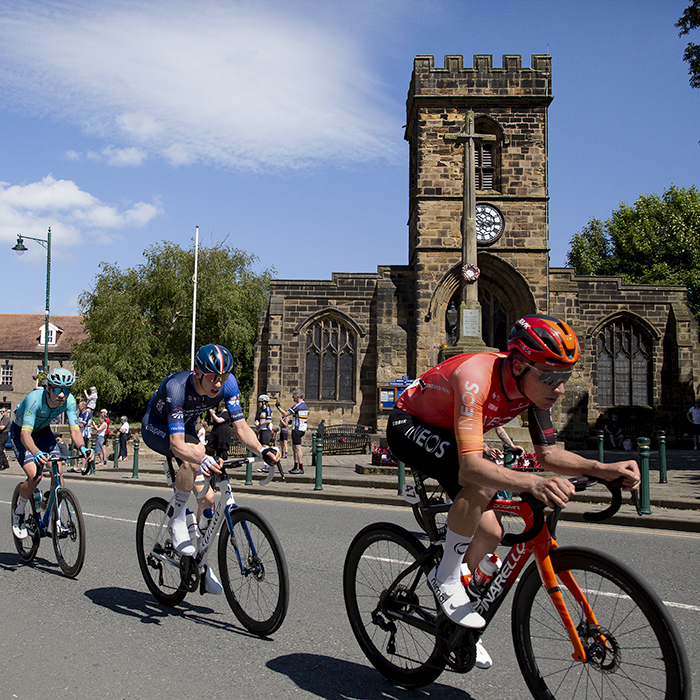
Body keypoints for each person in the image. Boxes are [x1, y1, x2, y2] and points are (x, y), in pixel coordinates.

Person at [386, 314, 640, 670]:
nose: (560, 388)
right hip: (410, 424)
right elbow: (471, 467)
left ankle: (454, 621)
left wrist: (601, 469)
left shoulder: (533, 389)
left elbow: (548, 455)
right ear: (519, 365)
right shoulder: (476, 378)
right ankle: (445, 575)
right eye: (552, 377)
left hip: (449, 433)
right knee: (483, 479)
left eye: (565, 377)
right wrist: (535, 482)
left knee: (491, 531)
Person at [141, 343, 280, 595]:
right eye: (212, 376)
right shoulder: (177, 387)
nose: (218, 383)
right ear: (197, 373)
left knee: (208, 499)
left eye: (223, 376)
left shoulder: (228, 384)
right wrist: (201, 458)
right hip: (157, 427)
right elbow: (177, 443)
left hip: (187, 426)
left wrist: (262, 450)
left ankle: (199, 564)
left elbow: (241, 428)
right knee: (194, 458)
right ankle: (177, 518)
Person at [10, 368, 94, 538]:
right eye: (57, 389)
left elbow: (75, 430)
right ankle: (18, 512)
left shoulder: (69, 401)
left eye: (66, 390)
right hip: (22, 433)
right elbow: (25, 435)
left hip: (42, 432)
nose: (61, 395)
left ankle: (56, 518)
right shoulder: (34, 400)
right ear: (48, 388)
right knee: (35, 476)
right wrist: (36, 453)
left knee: (58, 469)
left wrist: (83, 447)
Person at [277, 389, 308, 474]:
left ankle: (300, 467)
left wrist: (278, 407)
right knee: (294, 448)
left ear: (298, 396)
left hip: (297, 429)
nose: (292, 397)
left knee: (297, 448)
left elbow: (285, 414)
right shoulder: (304, 405)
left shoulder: (298, 405)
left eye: (293, 396)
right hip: (301, 428)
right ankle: (296, 465)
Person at [76, 400, 92, 472]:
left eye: (79, 406)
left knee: (84, 452)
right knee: (74, 450)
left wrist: (74, 422)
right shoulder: (80, 414)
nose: (78, 407)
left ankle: (82, 467)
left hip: (84, 435)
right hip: (78, 434)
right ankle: (75, 467)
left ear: (82, 407)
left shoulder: (86, 414)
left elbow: (82, 425)